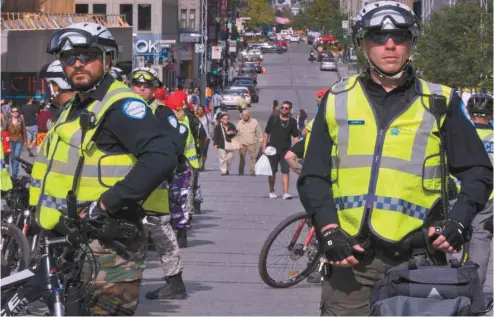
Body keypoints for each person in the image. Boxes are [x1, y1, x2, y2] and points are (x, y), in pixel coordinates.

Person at [297, 2, 493, 315]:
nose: (390, 45)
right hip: (351, 261)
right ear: (362, 44)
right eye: (379, 37)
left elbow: (478, 172)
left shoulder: (439, 102)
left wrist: (459, 220)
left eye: (400, 36)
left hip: (419, 261)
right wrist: (328, 230)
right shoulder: (337, 100)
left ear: (411, 43)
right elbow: (313, 176)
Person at [29, 22, 181, 315]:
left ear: (108, 59)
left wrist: (108, 202)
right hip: (72, 241)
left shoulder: (120, 106)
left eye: (88, 56)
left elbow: (162, 156)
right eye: (69, 59)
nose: (78, 64)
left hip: (109, 249)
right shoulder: (78, 105)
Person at [128, 66, 188, 300]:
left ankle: (175, 282)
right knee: (127, 234)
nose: (141, 88)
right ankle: (125, 281)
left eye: (147, 85)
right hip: (126, 182)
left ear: (154, 89)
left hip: (153, 184)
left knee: (161, 233)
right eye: (136, 84)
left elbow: (175, 146)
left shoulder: (163, 114)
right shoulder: (121, 111)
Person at [464, 94, 493, 303]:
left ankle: (448, 283)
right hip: (488, 197)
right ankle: (475, 292)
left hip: (459, 194)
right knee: (480, 238)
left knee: (448, 240)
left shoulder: (460, 136)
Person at [262, 101, 299, 199]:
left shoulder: (292, 122)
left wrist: (297, 150)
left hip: (286, 150)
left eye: (286, 108)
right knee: (272, 171)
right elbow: (266, 133)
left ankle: (285, 193)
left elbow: (295, 136)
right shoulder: (273, 119)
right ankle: (271, 190)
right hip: (272, 149)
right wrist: (264, 147)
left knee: (285, 171)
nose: (283, 109)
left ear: (289, 110)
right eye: (282, 107)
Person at [236, 109, 262, 176]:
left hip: (252, 144)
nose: (244, 117)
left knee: (253, 158)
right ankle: (241, 171)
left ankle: (252, 171)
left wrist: (261, 142)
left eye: (245, 115)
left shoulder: (254, 122)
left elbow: (259, 133)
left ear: (249, 115)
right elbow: (236, 134)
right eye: (243, 115)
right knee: (242, 158)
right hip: (242, 144)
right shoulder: (239, 123)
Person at [6, 106, 26, 178]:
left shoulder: (21, 120)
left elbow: (24, 131)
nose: (15, 113)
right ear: (11, 113)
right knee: (12, 158)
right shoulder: (8, 121)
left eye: (16, 111)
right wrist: (6, 138)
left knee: (16, 157)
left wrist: (26, 141)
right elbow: (5, 130)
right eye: (13, 112)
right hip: (10, 141)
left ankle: (14, 174)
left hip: (19, 141)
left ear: (18, 112)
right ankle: (14, 172)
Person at [196, 105, 213, 171]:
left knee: (204, 152)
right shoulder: (195, 118)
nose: (200, 111)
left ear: (203, 110)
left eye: (201, 109)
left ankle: (203, 165)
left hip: (206, 137)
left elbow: (212, 124)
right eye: (199, 109)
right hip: (197, 137)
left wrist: (212, 134)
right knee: (198, 152)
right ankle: (198, 165)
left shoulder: (207, 117)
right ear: (197, 110)